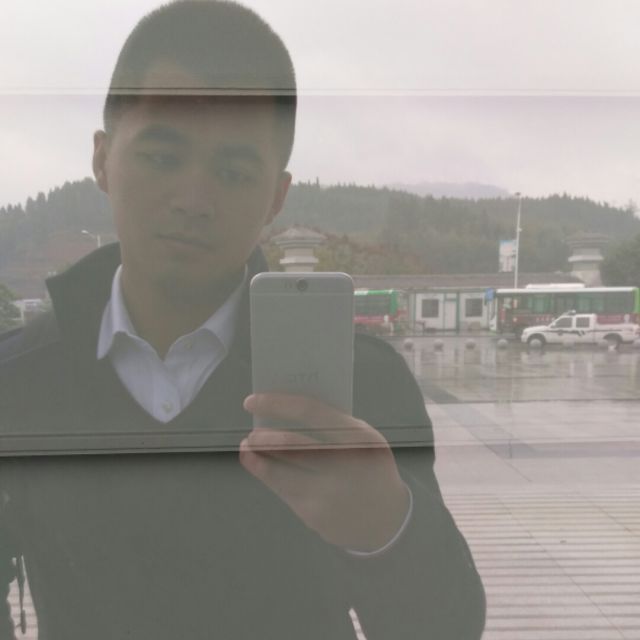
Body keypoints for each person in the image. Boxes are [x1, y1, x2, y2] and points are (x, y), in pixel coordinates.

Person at [0, 1, 485, 638]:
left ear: (276, 196)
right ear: (102, 158)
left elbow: (448, 627)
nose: (193, 199)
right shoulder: (17, 381)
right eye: (162, 157)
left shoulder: (362, 385)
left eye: (232, 171)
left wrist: (386, 531)